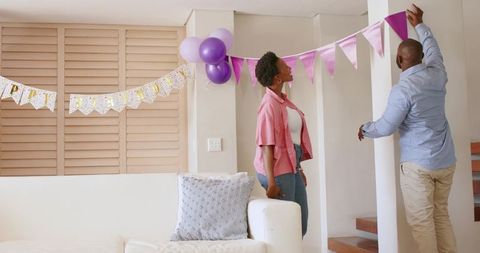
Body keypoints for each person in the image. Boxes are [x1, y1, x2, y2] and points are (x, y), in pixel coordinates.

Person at [358, 4, 457, 253]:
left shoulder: (403, 90)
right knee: (442, 217)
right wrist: (420, 25)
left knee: (423, 225)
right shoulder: (438, 74)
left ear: (398, 59)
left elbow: (386, 126)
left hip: (418, 167)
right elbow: (434, 49)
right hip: (445, 162)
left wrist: (365, 129)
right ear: (422, 57)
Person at [253, 51, 313, 237]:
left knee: (300, 224)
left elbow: (290, 140)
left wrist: (299, 168)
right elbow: (266, 146)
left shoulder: (283, 101)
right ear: (277, 77)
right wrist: (271, 182)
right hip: (276, 170)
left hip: (290, 167)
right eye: (284, 66)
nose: (289, 67)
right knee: (287, 227)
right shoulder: (269, 105)